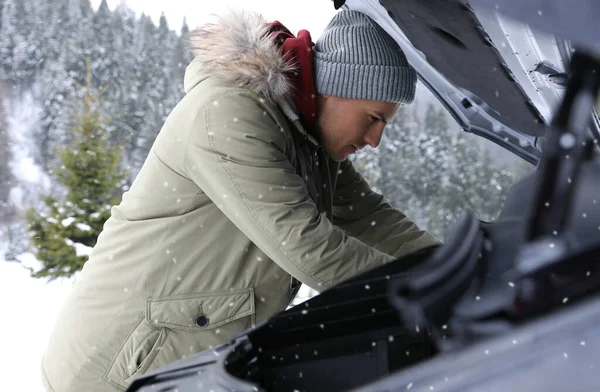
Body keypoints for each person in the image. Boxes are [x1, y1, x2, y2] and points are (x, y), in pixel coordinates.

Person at [41, 9, 440, 392]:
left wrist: (462, 262)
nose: (374, 140)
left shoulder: (308, 139)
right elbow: (311, 249)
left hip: (181, 355)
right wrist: (434, 289)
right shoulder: (229, 115)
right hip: (118, 366)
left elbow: (372, 220)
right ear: (338, 87)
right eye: (373, 118)